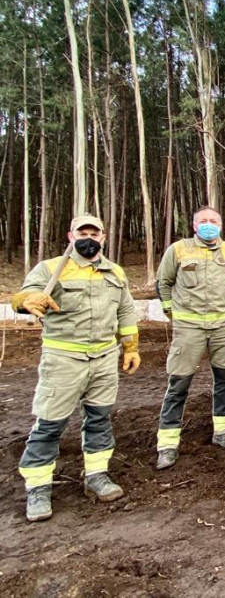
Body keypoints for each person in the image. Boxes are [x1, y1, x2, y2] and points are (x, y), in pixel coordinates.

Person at [12, 215, 140, 522]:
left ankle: (96, 475)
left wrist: (131, 346)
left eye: (94, 232)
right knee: (50, 424)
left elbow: (125, 309)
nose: (89, 237)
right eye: (83, 232)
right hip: (64, 358)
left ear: (103, 237)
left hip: (104, 357)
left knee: (99, 418)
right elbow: (22, 296)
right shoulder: (50, 269)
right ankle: (38, 487)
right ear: (71, 236)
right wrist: (28, 300)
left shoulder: (114, 271)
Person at [155, 206, 225, 470]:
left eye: (213, 220)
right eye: (203, 221)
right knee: (179, 384)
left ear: (221, 225)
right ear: (194, 226)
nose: (208, 225)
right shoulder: (178, 249)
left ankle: (223, 432)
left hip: (222, 326)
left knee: (224, 380)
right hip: (189, 328)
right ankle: (168, 444)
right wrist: (174, 314)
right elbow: (164, 283)